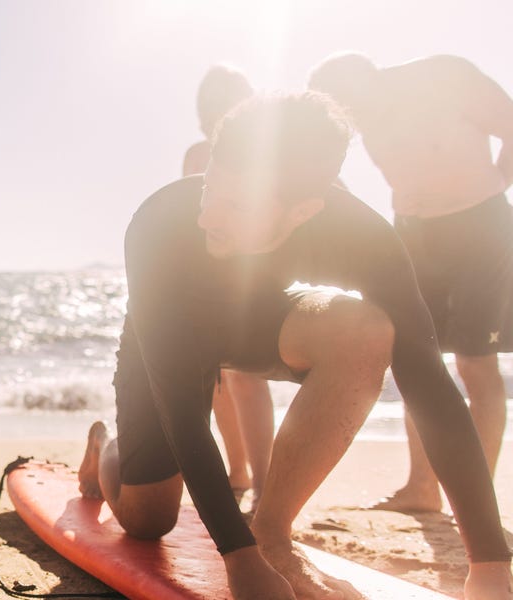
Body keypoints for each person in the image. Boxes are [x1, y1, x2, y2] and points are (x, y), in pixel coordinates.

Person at [78, 93, 512, 599]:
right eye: (209, 189)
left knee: (366, 330)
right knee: (147, 520)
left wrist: (489, 564)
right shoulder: (159, 226)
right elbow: (182, 411)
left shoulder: (362, 238)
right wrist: (237, 560)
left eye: (236, 205)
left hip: (257, 316)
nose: (207, 217)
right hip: (168, 333)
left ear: (303, 210)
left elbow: (431, 388)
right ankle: (106, 447)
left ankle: (273, 531)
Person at [309, 53, 513, 514]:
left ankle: (476, 501)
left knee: (475, 363)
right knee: (416, 359)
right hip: (415, 234)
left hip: (480, 227)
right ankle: (422, 488)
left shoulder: (445, 75)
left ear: (371, 80)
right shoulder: (357, 116)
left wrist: (497, 181)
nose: (356, 126)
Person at [183, 65, 275, 509]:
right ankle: (237, 470)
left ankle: (265, 482)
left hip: (254, 277)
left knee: (249, 379)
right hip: (209, 279)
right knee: (218, 378)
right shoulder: (198, 153)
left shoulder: (269, 152)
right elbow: (187, 216)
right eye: (212, 106)